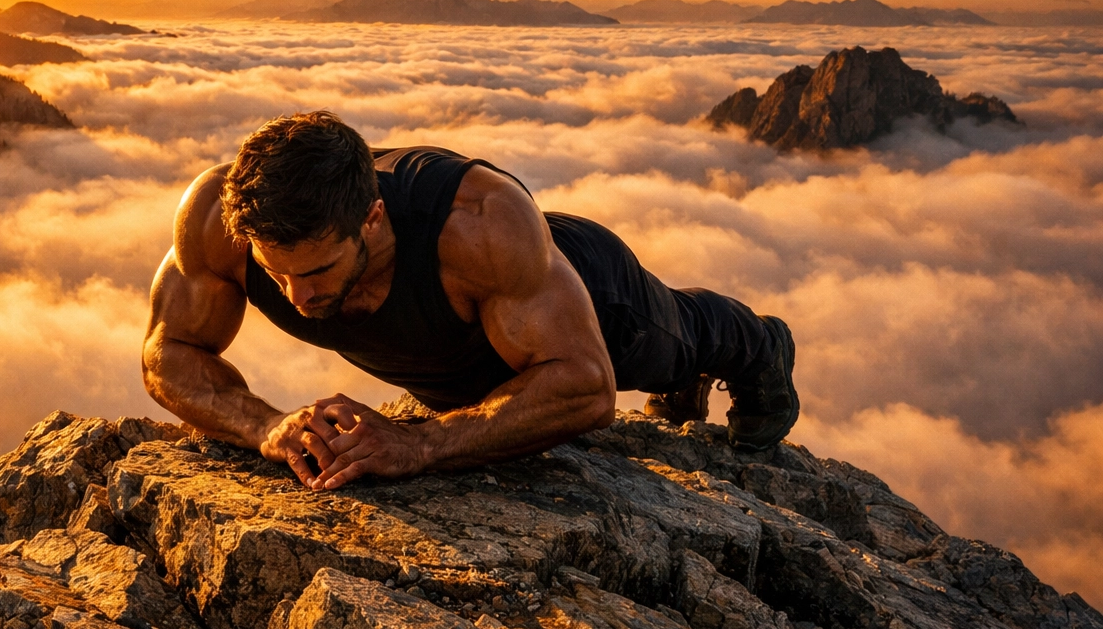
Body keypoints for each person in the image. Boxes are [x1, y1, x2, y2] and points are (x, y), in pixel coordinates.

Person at [143, 110, 798, 491]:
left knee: (675, 340)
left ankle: (766, 349)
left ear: (371, 218)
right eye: (274, 273)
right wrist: (266, 425)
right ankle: (683, 388)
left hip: (574, 288)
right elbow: (167, 354)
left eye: (318, 270)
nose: (297, 295)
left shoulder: (481, 222)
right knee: (669, 370)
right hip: (461, 351)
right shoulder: (218, 221)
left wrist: (421, 445)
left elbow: (587, 389)